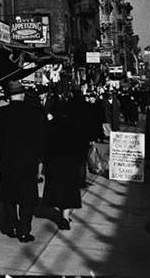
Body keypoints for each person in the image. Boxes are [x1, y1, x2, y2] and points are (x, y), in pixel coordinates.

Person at [0, 80, 45, 243]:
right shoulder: (34, 113)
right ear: (23, 94)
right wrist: (38, 157)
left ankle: (11, 225)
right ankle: (24, 230)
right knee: (27, 197)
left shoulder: (1, 113)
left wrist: (0, 153)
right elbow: (42, 138)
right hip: (28, 161)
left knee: (8, 195)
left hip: (7, 160)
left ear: (9, 96)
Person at [41, 97, 89, 229]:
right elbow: (83, 145)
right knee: (69, 190)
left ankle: (61, 212)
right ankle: (65, 217)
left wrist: (45, 161)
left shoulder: (50, 126)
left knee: (56, 189)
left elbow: (44, 145)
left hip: (54, 162)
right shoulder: (75, 126)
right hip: (71, 163)